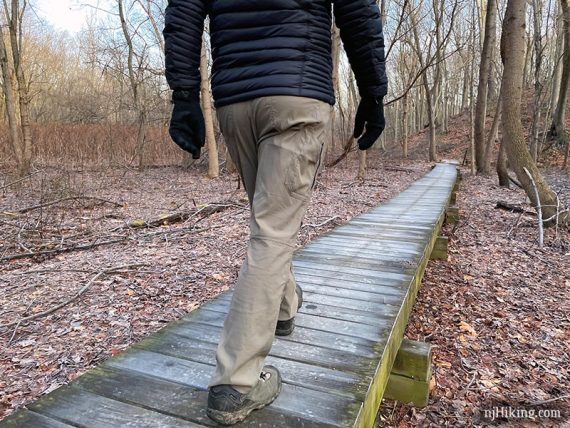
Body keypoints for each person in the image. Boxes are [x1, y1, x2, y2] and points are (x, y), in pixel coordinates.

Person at [164, 0, 388, 424]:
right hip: (297, 96)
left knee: (269, 222)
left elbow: (184, 13)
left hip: (235, 101)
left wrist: (184, 95)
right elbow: (358, 11)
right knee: (272, 229)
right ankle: (235, 383)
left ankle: (284, 308)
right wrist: (373, 91)